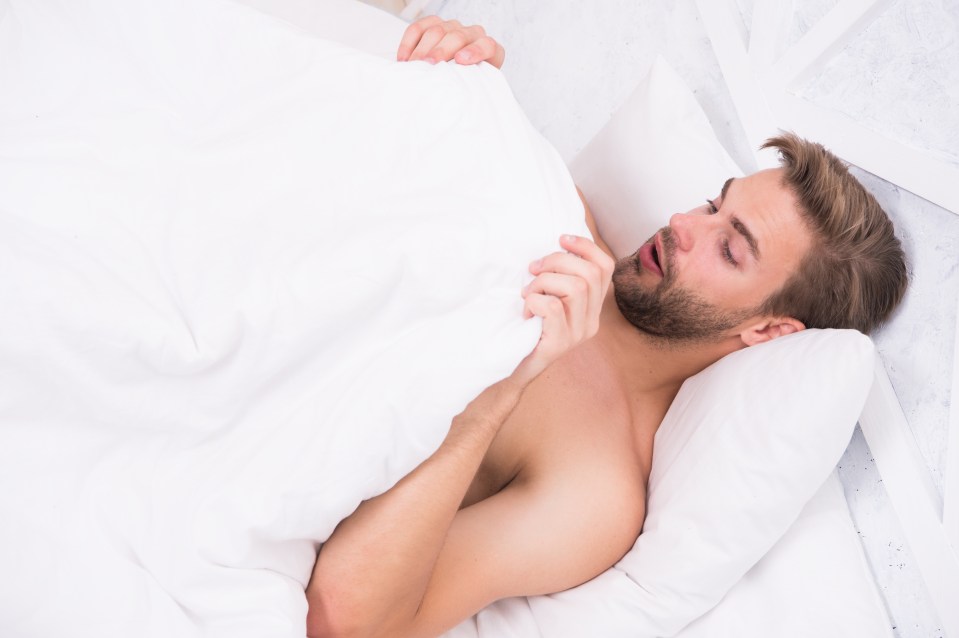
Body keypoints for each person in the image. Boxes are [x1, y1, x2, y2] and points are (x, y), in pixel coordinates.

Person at [305, 17, 908, 638]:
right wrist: (466, 75)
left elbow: (346, 622)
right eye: (712, 204)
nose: (681, 224)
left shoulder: (597, 490)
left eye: (730, 249)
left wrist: (499, 392)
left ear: (768, 332)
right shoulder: (566, 213)